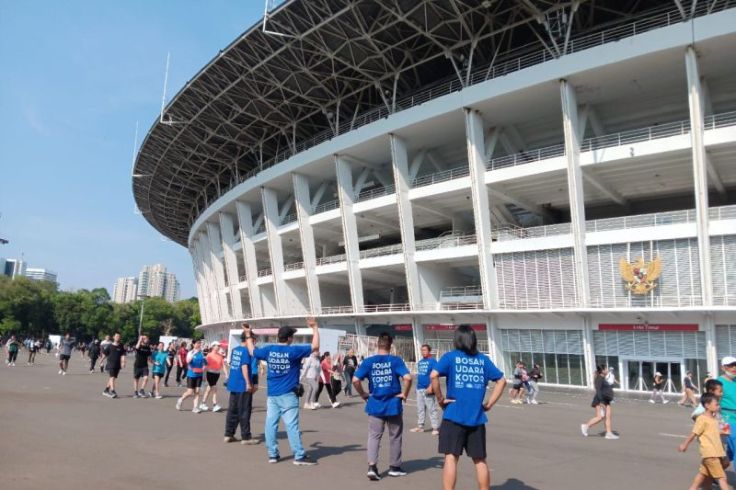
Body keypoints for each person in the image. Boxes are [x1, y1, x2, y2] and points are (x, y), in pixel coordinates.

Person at [429, 325, 506, 490]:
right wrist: (489, 404)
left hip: (453, 414)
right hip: (476, 417)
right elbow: (501, 380)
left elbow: (433, 375)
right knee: (479, 459)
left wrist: (441, 399)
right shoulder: (483, 360)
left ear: (457, 340)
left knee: (451, 457)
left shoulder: (450, 357)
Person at [243, 319, 319, 466]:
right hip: (289, 394)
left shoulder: (269, 349)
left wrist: (247, 334)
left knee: (271, 424)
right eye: (292, 336)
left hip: (272, 394)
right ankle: (298, 455)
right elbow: (315, 346)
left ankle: (272, 454)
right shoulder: (294, 351)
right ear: (289, 338)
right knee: (291, 425)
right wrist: (315, 328)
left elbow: (252, 351)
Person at [353, 332, 412, 480]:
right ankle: (394, 467)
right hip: (393, 403)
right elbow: (408, 377)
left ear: (377, 344)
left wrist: (363, 394)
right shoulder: (395, 360)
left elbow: (355, 379)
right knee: (395, 436)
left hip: (375, 403)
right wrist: (404, 394)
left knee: (374, 436)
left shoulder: (369, 361)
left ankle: (372, 466)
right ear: (390, 345)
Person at [679, 393, 730, 490]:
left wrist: (723, 432)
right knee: (722, 478)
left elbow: (714, 432)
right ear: (707, 405)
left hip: (716, 452)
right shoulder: (702, 419)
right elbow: (694, 433)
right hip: (710, 454)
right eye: (716, 404)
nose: (718, 406)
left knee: (704, 476)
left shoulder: (715, 419)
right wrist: (684, 444)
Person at [224, 331, 260, 445]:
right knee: (244, 410)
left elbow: (233, 365)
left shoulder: (235, 350)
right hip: (242, 384)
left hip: (233, 383)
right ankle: (246, 437)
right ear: (249, 340)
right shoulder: (246, 351)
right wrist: (248, 383)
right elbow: (244, 367)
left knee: (232, 410)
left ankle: (228, 434)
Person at [581, 365, 618, 440]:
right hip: (600, 401)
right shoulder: (599, 379)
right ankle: (585, 426)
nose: (607, 370)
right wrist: (601, 402)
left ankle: (609, 433)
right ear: (603, 371)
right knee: (600, 417)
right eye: (606, 369)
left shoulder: (603, 378)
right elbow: (598, 391)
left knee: (607, 417)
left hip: (606, 400)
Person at [410, 344, 439, 435]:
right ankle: (420, 426)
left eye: (425, 350)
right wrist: (417, 388)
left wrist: (431, 386)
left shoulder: (433, 361)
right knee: (420, 409)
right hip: (420, 388)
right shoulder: (420, 362)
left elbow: (436, 375)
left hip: (428, 389)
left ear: (429, 351)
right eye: (422, 350)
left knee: (431, 408)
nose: (423, 352)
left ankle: (435, 428)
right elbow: (420, 376)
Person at [176, 340, 207, 413]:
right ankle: (180, 400)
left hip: (199, 375)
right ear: (193, 344)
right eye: (197, 343)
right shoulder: (190, 352)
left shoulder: (201, 353)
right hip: (191, 374)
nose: (199, 344)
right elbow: (187, 361)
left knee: (197, 391)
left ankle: (195, 407)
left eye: (200, 343)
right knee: (190, 392)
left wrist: (204, 373)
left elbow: (205, 364)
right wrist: (194, 353)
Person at [717, 357, 736, 464]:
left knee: (731, 453)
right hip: (726, 419)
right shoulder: (718, 382)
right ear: (723, 367)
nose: (734, 368)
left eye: (735, 365)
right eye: (730, 365)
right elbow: (711, 402)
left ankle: (713, 474)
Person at [201, 341, 225, 412]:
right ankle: (215, 405)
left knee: (209, 389)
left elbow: (223, 365)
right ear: (213, 346)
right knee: (214, 389)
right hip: (210, 373)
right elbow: (205, 366)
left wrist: (226, 374)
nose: (218, 347)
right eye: (217, 345)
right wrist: (204, 376)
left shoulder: (220, 356)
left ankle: (203, 403)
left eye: (219, 346)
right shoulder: (209, 355)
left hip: (217, 374)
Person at [102, 333, 126, 398]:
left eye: (119, 336)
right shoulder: (110, 346)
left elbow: (123, 354)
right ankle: (113, 391)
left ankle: (106, 390)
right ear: (113, 337)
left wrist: (123, 362)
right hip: (110, 364)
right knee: (112, 377)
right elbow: (105, 354)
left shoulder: (121, 346)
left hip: (117, 364)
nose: (118, 337)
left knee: (113, 378)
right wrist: (101, 361)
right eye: (116, 336)